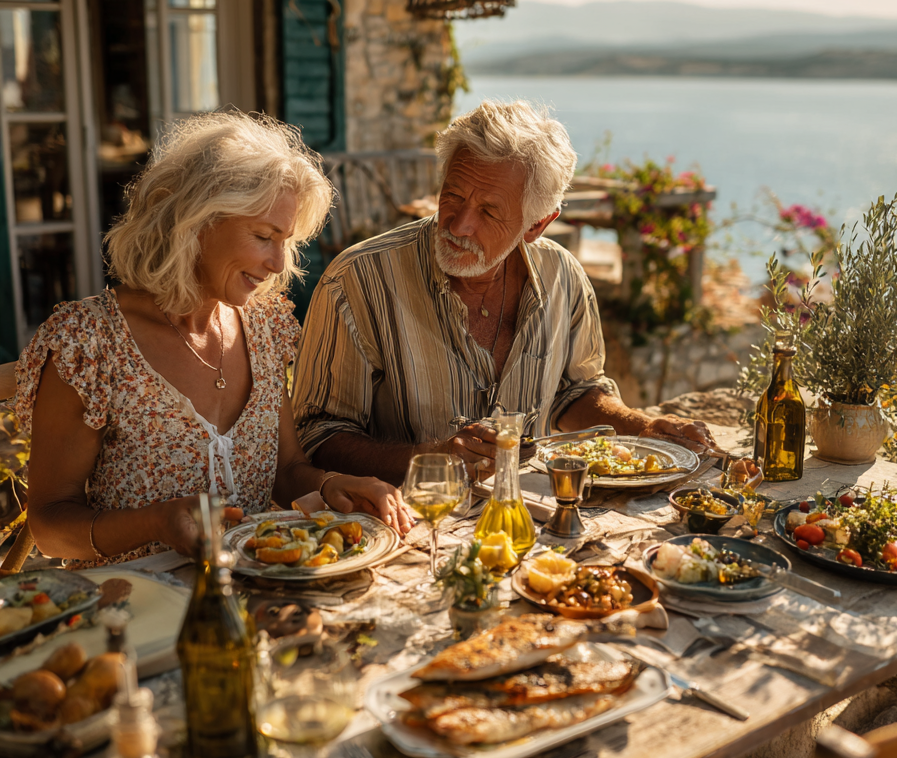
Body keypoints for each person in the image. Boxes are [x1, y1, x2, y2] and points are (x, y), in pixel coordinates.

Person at [17, 112, 411, 568]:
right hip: (135, 612)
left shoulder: (264, 324)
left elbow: (285, 471)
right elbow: (49, 526)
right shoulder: (89, 343)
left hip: (256, 596)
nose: (279, 263)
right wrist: (154, 523)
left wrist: (329, 484)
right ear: (194, 223)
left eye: (286, 240)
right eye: (264, 236)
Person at [292, 100, 720, 484]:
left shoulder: (562, 275)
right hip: (411, 527)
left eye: (489, 211)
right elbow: (316, 435)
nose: (458, 225)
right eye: (453, 195)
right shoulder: (357, 280)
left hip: (532, 519)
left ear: (537, 225)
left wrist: (639, 426)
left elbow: (577, 391)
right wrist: (432, 458)